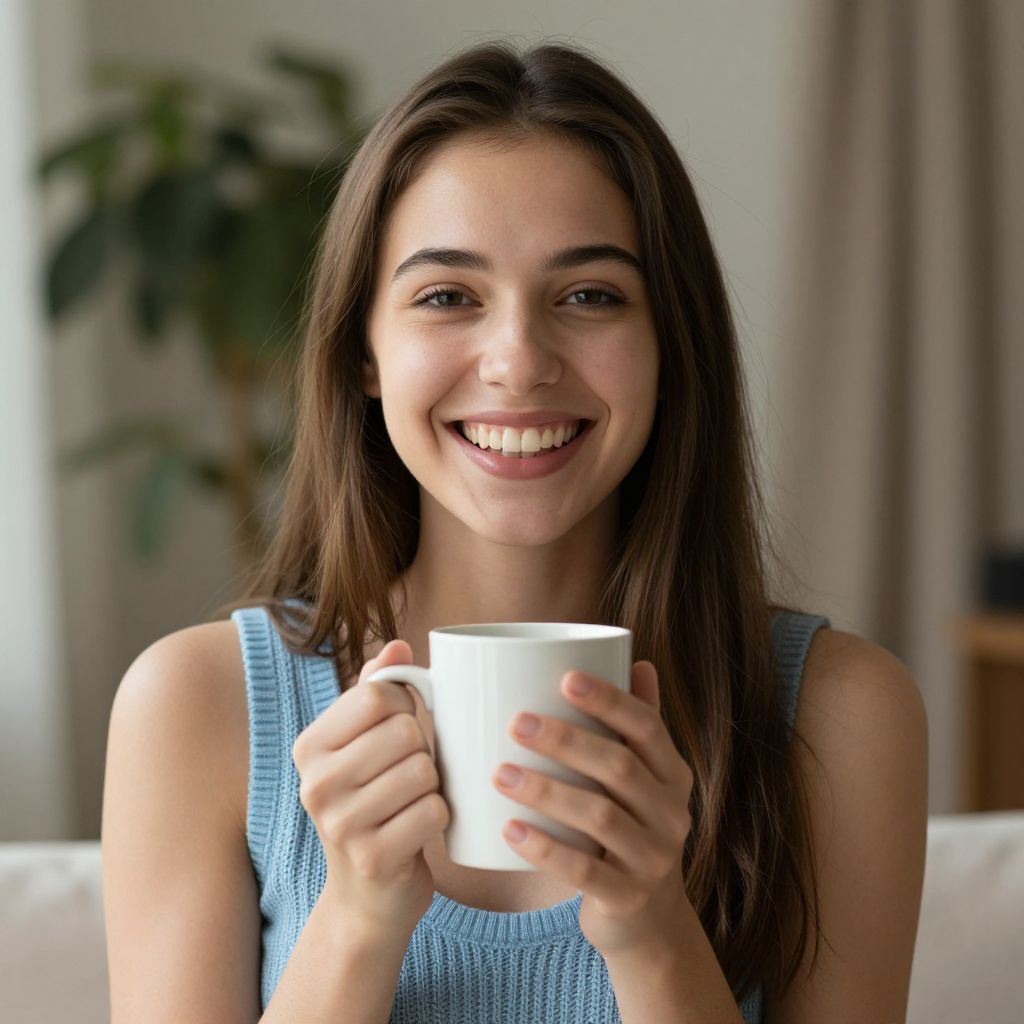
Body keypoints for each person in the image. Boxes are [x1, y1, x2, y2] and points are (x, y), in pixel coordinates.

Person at [100, 38, 929, 1024]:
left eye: (588, 295)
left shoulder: (835, 717)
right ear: (364, 351)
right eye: (447, 296)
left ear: (671, 346)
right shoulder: (198, 708)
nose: (518, 360)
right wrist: (358, 917)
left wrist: (650, 925)